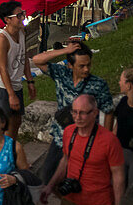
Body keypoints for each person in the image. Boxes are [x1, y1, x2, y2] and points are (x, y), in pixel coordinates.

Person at [41, 95, 124, 205]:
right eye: (74, 112)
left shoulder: (109, 141)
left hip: (98, 204)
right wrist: (50, 186)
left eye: (83, 113)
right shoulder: (68, 132)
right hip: (70, 200)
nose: (77, 117)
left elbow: (118, 175)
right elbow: (65, 161)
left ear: (95, 113)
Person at [32, 39, 114, 182]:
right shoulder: (61, 74)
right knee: (47, 175)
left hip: (86, 139)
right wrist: (65, 51)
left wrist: (105, 140)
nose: (86, 69)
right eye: (81, 66)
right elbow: (37, 60)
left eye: (88, 65)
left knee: (80, 179)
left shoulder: (98, 84)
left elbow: (108, 111)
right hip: (61, 136)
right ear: (70, 65)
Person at [0, 1, 36, 140]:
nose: (23, 17)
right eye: (19, 15)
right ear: (7, 20)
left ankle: (11, 153)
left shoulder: (21, 32)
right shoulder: (2, 39)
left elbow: (24, 56)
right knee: (6, 126)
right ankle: (4, 157)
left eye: (23, 13)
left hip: (16, 85)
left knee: (16, 122)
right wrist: (11, 95)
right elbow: (2, 68)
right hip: (2, 88)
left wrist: (30, 81)